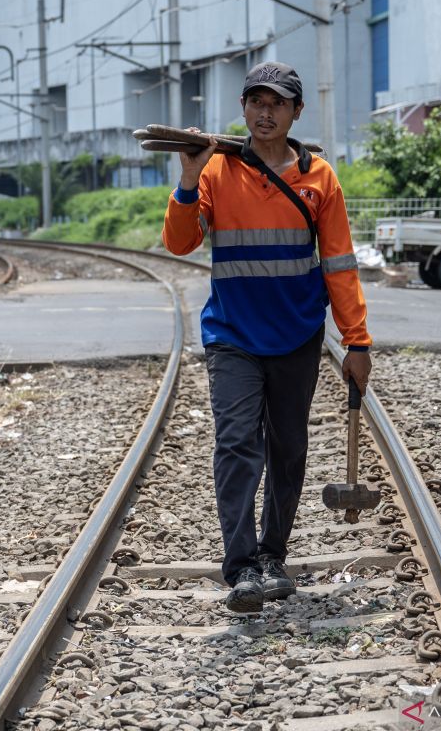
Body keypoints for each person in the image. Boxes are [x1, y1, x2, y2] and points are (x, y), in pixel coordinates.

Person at [161, 61, 372, 614]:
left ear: (296, 112)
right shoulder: (215, 172)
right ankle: (242, 567)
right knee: (236, 445)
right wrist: (187, 179)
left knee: (288, 449)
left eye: (276, 103)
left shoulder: (320, 178)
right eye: (256, 101)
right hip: (232, 335)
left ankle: (273, 556)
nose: (264, 112)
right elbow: (179, 244)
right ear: (244, 107)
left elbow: (341, 264)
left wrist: (358, 341)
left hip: (297, 336)